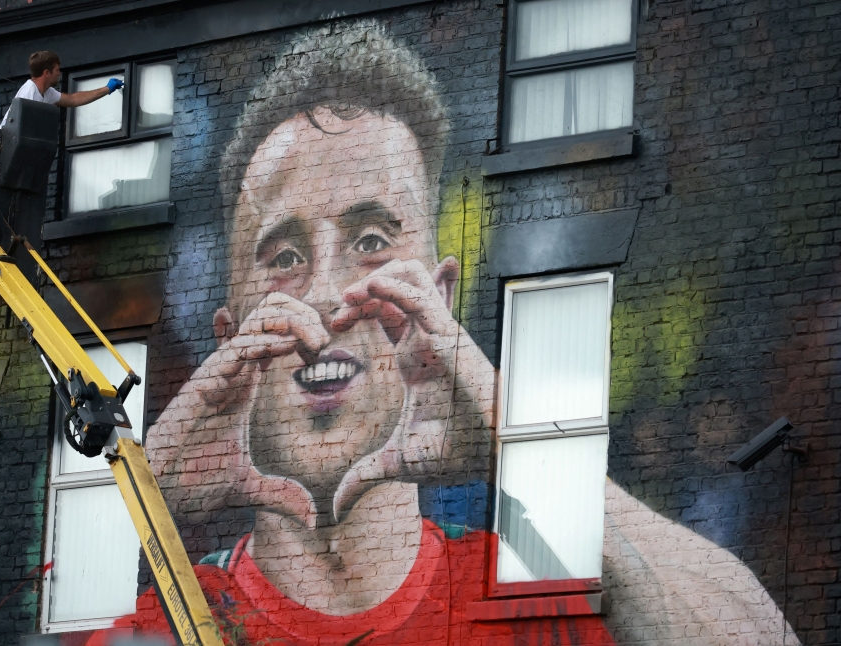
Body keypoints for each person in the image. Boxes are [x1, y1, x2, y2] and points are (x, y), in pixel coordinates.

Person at [92, 22, 800, 646]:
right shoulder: (161, 628)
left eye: (371, 240)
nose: (330, 293)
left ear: (441, 302)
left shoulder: (530, 614)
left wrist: (510, 440)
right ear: (228, 338)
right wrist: (151, 516)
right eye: (284, 258)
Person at [0, 51, 122, 128]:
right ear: (47, 72)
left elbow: (73, 99)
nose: (59, 73)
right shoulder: (29, 92)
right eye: (57, 70)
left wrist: (107, 89)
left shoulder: (47, 92)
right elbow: (20, 129)